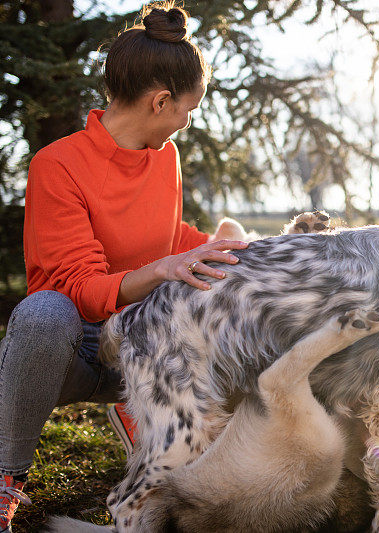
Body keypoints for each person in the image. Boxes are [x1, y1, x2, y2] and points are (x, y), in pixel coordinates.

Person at [0, 4, 248, 531]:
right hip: (71, 352)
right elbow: (83, 290)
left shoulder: (165, 157)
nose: (186, 121)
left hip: (141, 346)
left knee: (224, 310)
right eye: (187, 108)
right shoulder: (58, 165)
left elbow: (166, 237)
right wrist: (166, 269)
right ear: (161, 101)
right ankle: (5, 477)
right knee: (44, 313)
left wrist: (230, 250)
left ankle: (151, 421)